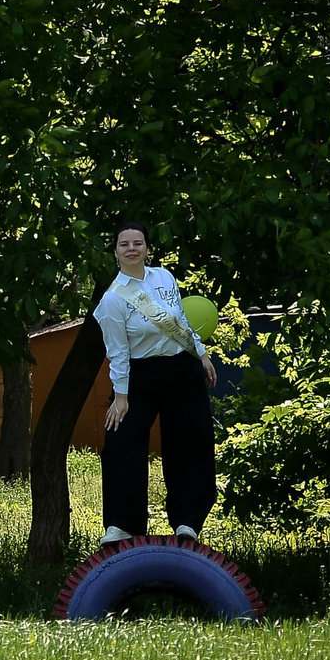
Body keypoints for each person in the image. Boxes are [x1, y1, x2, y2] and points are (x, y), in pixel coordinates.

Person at [94, 220, 218, 543]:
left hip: (182, 369)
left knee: (190, 441)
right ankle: (122, 523)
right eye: (125, 244)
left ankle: (188, 521)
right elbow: (118, 353)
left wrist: (201, 354)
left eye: (138, 243)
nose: (132, 249)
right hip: (139, 376)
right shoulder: (112, 300)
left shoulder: (165, 277)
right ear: (116, 251)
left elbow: (181, 321)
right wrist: (121, 397)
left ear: (147, 248)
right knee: (120, 442)